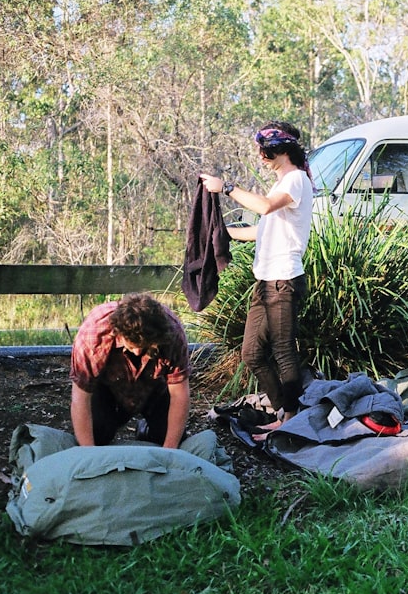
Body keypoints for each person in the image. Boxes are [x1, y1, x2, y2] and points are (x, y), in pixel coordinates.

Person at [200, 121, 314, 439]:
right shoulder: (282, 185)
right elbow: (261, 228)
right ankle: (282, 411)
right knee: (251, 352)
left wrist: (226, 187)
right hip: (265, 282)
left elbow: (264, 208)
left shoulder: (295, 180)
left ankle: (290, 419)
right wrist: (219, 235)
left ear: (279, 149)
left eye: (264, 150)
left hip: (284, 281)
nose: (261, 156)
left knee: (282, 350)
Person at [70, 292, 191, 448]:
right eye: (132, 346)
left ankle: (147, 430)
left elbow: (180, 394)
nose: (137, 353)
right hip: (107, 388)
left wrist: (170, 451)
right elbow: (80, 397)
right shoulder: (93, 335)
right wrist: (89, 454)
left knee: (173, 437)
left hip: (154, 386)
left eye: (145, 347)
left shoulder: (172, 333)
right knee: (96, 435)